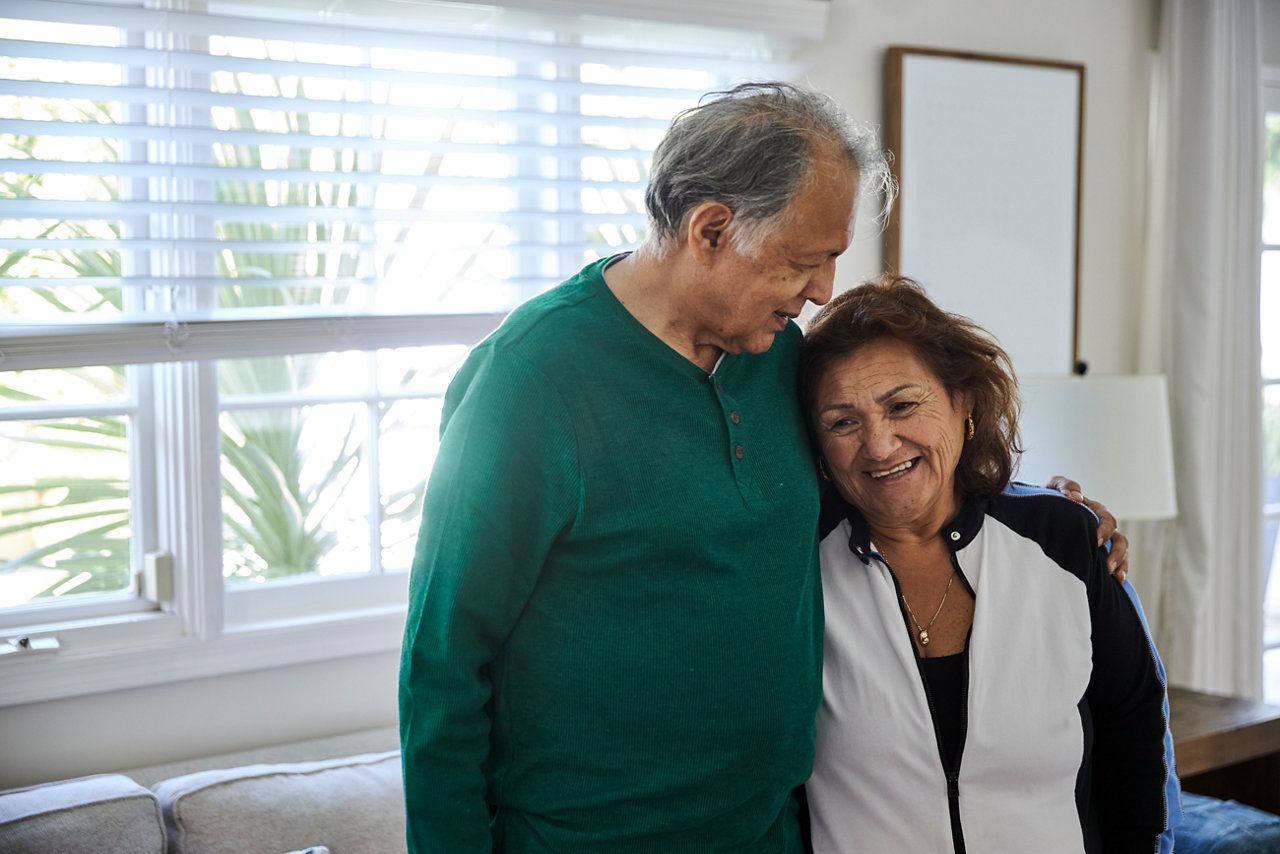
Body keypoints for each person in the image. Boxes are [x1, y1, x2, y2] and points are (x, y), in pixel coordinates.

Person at [398, 81, 1128, 852]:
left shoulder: (774, 355)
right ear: (711, 229)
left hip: (773, 830)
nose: (821, 293)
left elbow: (873, 470)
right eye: (802, 262)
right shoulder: (528, 383)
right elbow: (443, 662)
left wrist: (1037, 509)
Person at [799, 276, 1178, 853]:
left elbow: (1138, 745)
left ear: (963, 401)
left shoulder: (1067, 541)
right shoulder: (793, 569)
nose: (878, 445)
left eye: (902, 405)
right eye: (843, 422)